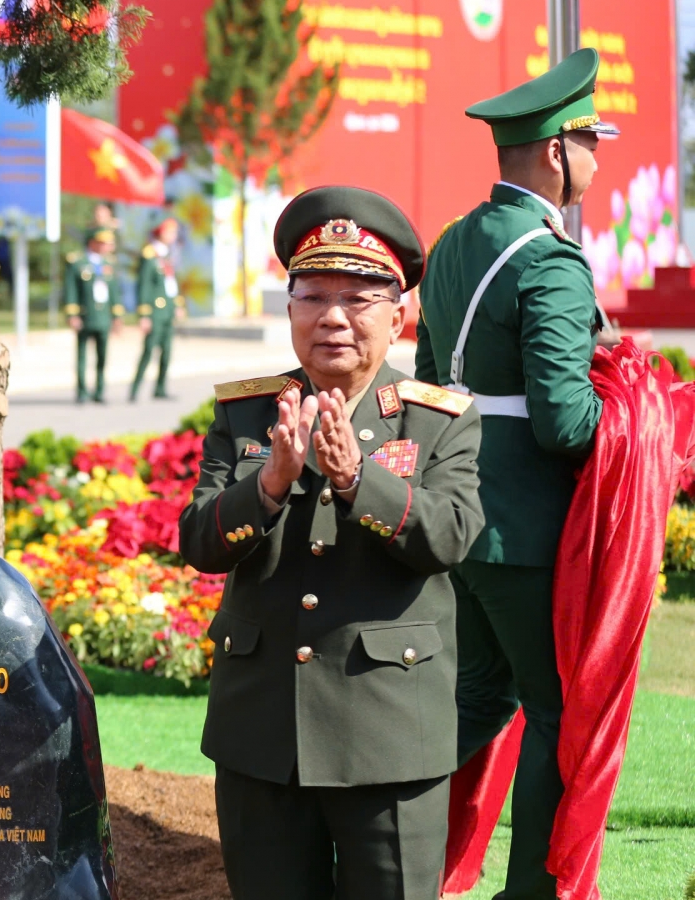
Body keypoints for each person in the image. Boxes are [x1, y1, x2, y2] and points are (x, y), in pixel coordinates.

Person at [179, 185, 484, 899]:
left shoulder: (437, 421)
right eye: (312, 297)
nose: (334, 319)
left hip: (388, 736)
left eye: (358, 299)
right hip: (262, 736)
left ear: (399, 312)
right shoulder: (248, 410)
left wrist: (357, 481)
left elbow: (448, 536)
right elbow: (199, 539)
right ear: (289, 309)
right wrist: (270, 486)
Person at [414, 48, 617, 900]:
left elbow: (427, 380)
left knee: (477, 698)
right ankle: (532, 892)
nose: (599, 162)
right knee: (556, 711)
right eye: (591, 143)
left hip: (455, 511)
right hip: (526, 527)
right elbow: (566, 422)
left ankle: (381, 861)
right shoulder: (551, 261)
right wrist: (644, 426)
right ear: (554, 152)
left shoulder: (458, 240)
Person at [64, 228, 121, 404]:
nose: (108, 247)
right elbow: (71, 290)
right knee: (82, 355)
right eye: (104, 243)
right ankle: (82, 391)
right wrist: (72, 314)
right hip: (85, 315)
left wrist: (117, 316)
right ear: (93, 243)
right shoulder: (77, 262)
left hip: (103, 316)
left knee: (102, 355)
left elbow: (114, 292)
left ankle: (100, 390)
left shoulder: (108, 263)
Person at [131, 219, 183, 401]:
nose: (173, 236)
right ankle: (135, 389)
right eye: (170, 232)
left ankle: (160, 388)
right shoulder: (149, 255)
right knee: (148, 351)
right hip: (154, 312)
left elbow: (171, 284)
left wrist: (177, 305)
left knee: (166, 352)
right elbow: (144, 286)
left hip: (167, 311)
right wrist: (144, 314)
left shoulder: (167, 255)